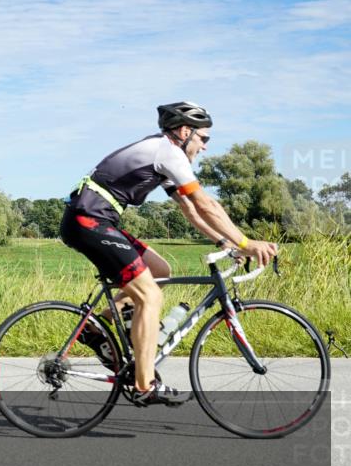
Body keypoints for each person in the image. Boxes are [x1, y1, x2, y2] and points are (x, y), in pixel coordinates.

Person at [59, 102, 278, 406]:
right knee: (150, 297)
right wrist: (245, 242)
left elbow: (189, 209)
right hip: (88, 221)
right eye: (204, 138)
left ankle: (95, 330)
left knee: (160, 272)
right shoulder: (169, 153)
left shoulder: (163, 154)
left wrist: (223, 241)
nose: (205, 147)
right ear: (185, 131)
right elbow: (206, 204)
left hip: (95, 220)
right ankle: (144, 385)